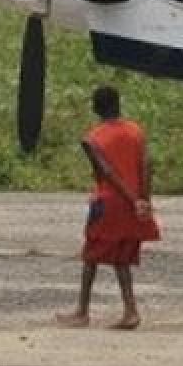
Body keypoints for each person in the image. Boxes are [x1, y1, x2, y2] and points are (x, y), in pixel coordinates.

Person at [57, 86, 159, 330]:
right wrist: (143, 199)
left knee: (90, 257)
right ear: (118, 104)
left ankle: (82, 312)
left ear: (96, 107)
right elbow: (146, 165)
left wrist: (132, 199)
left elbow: (106, 172)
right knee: (121, 259)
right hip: (133, 204)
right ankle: (130, 310)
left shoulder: (92, 139)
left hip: (109, 202)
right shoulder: (136, 131)